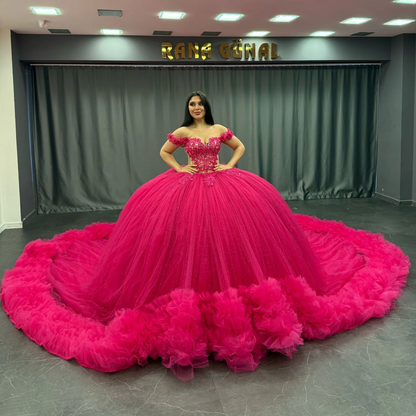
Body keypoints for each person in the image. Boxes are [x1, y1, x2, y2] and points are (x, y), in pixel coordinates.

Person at [1, 91, 410, 381]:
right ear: (188, 108)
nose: (195, 108)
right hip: (187, 187)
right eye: (192, 104)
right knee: (183, 240)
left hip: (222, 184)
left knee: (233, 240)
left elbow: (240, 147)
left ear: (206, 107)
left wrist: (228, 166)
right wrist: (179, 169)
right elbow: (164, 153)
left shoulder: (219, 129)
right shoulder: (181, 132)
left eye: (199, 104)